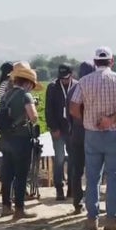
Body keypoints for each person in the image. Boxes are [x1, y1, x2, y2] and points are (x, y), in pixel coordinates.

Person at [70, 47, 116, 230]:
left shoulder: (84, 81)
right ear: (112, 61)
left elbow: (74, 107)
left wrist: (86, 119)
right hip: (114, 134)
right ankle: (111, 219)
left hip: (91, 134)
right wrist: (114, 118)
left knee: (92, 178)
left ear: (95, 62)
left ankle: (92, 219)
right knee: (114, 177)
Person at [0, 62, 42, 219]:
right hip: (21, 139)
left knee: (7, 174)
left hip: (5, 140)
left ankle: (5, 206)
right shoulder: (25, 95)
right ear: (27, 82)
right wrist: (33, 107)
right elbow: (34, 117)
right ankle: (19, 209)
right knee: (21, 175)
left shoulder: (6, 95)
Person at [66, 61, 96, 214]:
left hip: (76, 134)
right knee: (93, 169)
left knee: (76, 170)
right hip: (92, 132)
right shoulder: (94, 87)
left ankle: (77, 202)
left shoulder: (72, 90)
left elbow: (69, 114)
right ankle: (92, 202)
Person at [46, 64, 77, 200]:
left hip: (72, 129)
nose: (63, 81)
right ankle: (59, 187)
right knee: (59, 159)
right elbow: (49, 109)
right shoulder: (52, 87)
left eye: (66, 78)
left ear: (71, 75)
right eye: (61, 78)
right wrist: (53, 128)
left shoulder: (77, 86)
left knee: (73, 159)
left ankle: (71, 187)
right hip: (58, 128)